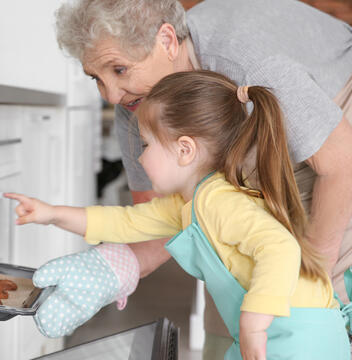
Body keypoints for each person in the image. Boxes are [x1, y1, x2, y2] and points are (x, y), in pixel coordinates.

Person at [46, 0, 352, 357]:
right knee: (227, 266)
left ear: (167, 41)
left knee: (317, 299)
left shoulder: (251, 62)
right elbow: (168, 218)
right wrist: (112, 269)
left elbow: (341, 164)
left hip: (337, 137)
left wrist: (311, 282)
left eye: (119, 69)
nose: (111, 94)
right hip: (275, 151)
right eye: (96, 78)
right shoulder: (134, 108)